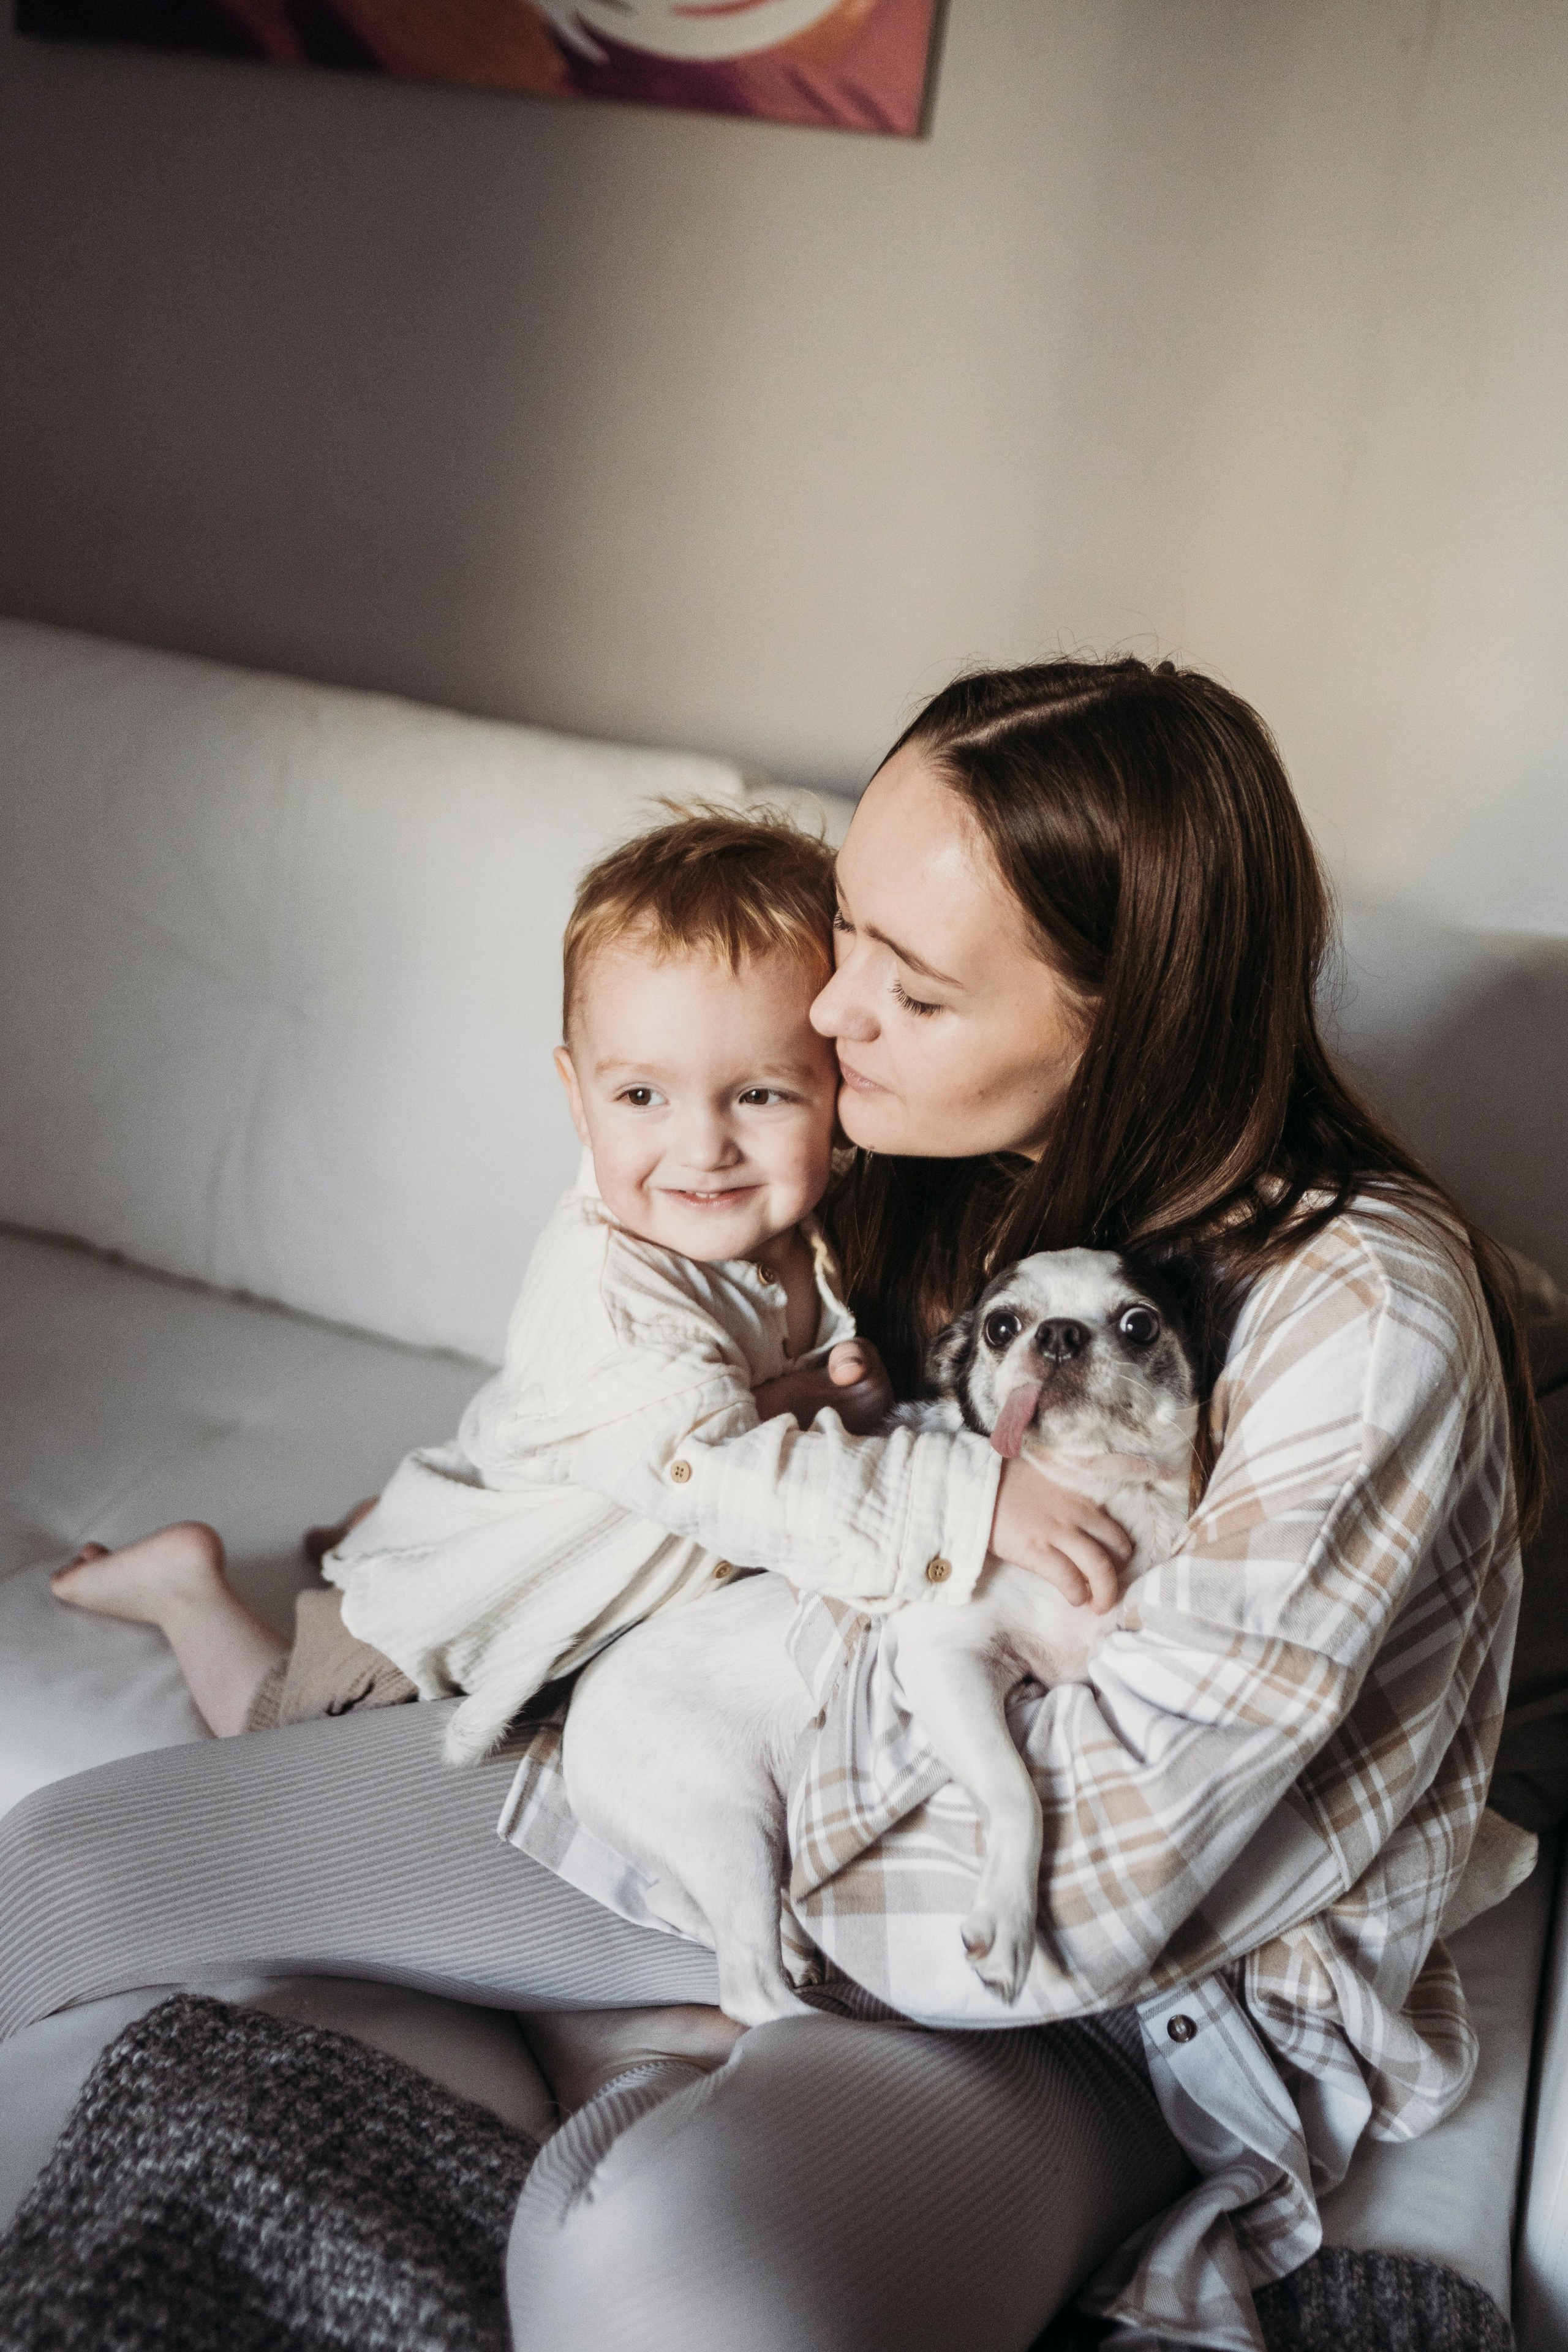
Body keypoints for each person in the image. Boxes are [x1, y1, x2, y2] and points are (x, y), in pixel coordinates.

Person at [0, 657, 1539, 2352]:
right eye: (850, 930)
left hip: (1087, 1998)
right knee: (66, 1865)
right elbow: (659, 1396)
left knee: (658, 2258)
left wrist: (705, 1877)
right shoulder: (895, 1148)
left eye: (912, 986)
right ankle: (622, 2027)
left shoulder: (1366, 1321)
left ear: (1124, 1022)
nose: (827, 1012)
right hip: (741, 1789)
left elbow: (1100, 1894)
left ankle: (630, 2035)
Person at [47, 805, 1117, 1767]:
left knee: (516, 1467)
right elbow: (711, 1471)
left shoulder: (799, 1227)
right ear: (577, 1093)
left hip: (586, 1499)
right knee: (276, 1724)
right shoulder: (612, 1295)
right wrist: (969, 1507)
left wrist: (836, 1400)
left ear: (837, 1094)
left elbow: (738, 1412)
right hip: (447, 1630)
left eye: (758, 1094)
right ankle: (185, 1585)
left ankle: (385, 1522)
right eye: (643, 1093)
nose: (703, 1150)